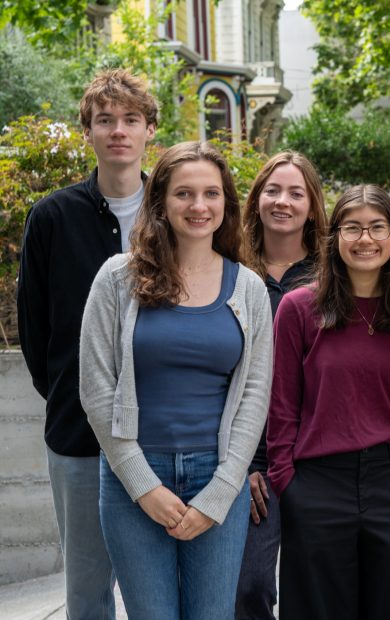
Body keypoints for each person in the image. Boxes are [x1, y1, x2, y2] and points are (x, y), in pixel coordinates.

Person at [79, 141, 273, 618]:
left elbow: (254, 394)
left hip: (217, 474)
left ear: (227, 202)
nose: (199, 206)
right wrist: (144, 485)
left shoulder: (247, 287)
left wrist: (223, 489)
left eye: (211, 193)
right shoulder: (116, 280)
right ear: (161, 201)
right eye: (184, 194)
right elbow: (96, 388)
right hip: (134, 476)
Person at [16, 68, 157, 619]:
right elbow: (35, 330)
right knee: (88, 586)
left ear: (150, 131)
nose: (118, 130)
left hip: (168, 428)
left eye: (130, 120)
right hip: (78, 431)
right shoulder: (51, 217)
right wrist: (71, 393)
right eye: (105, 121)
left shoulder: (177, 213)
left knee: (159, 584)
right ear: (88, 133)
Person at [267, 184, 390, 619]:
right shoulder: (298, 308)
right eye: (353, 228)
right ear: (334, 237)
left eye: (377, 227)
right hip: (318, 484)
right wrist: (287, 484)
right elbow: (282, 405)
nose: (365, 239)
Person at [236, 151, 328, 619]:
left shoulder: (334, 277)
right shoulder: (229, 271)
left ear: (313, 206)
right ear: (255, 201)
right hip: (251, 463)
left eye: (296, 193)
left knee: (313, 589)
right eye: (272, 190)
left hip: (318, 458)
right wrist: (249, 462)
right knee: (248, 587)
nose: (283, 202)